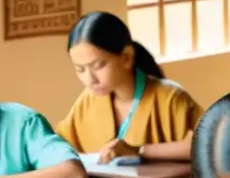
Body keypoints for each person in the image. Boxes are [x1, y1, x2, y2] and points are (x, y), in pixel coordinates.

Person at [57, 11, 204, 164]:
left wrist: (140, 150)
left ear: (126, 57)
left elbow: (211, 144)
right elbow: (58, 143)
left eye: (98, 65)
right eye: (80, 69)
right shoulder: (87, 100)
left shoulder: (170, 98)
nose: (90, 79)